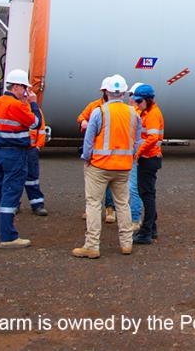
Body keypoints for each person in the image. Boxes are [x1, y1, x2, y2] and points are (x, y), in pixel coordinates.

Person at [73, 74, 138, 259]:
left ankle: (92, 246)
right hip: (124, 167)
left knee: (93, 204)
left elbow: (89, 139)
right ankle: (127, 244)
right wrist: (131, 158)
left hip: (99, 166)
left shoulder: (99, 112)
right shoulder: (133, 113)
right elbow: (137, 140)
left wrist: (87, 157)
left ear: (105, 92)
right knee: (122, 204)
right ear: (124, 93)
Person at [0, 69, 41, 249]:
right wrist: (33, 104)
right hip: (15, 154)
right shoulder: (16, 106)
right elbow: (35, 123)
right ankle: (8, 237)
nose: (26, 92)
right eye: (24, 88)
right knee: (11, 192)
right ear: (16, 86)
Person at [77, 78, 117, 223]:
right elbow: (81, 116)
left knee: (108, 183)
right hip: (96, 151)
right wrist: (83, 121)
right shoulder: (94, 106)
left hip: (110, 152)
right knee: (93, 183)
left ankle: (109, 209)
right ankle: (92, 210)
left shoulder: (117, 108)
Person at [131, 83, 163, 245]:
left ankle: (146, 233)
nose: (137, 104)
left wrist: (138, 152)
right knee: (148, 194)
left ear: (148, 100)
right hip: (149, 158)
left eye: (139, 101)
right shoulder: (147, 112)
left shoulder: (152, 115)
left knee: (147, 195)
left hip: (148, 159)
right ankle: (152, 228)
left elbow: (152, 138)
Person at [126, 83, 147, 229]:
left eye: (131, 96)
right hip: (131, 154)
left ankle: (135, 219)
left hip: (136, 155)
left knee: (133, 187)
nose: (129, 98)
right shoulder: (135, 112)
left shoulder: (137, 113)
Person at [23, 103, 48, 216]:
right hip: (18, 149)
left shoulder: (34, 109)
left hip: (31, 149)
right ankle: (13, 204)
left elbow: (41, 129)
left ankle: (37, 204)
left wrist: (38, 146)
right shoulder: (16, 107)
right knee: (15, 178)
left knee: (32, 178)